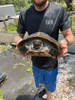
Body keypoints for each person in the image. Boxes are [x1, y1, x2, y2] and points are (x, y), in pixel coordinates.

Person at [14, 0, 74, 100]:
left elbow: (70, 36)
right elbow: (17, 37)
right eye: (36, 43)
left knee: (50, 86)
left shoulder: (58, 10)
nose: (38, 43)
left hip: (51, 64)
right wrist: (19, 43)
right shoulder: (24, 13)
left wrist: (65, 42)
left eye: (39, 43)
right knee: (40, 82)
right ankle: (43, 88)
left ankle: (49, 97)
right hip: (35, 62)